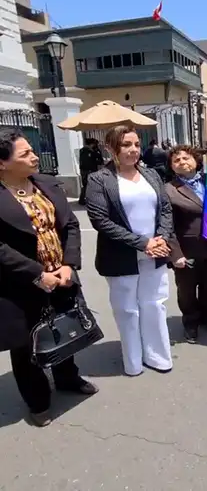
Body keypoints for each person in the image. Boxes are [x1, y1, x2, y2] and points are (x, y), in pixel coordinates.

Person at [0, 130, 98, 426]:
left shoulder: (46, 184)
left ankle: (68, 378)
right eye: (25, 154)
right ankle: (37, 400)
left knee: (65, 328)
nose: (34, 157)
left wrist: (69, 264)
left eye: (32, 150)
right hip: (20, 283)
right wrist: (37, 274)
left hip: (62, 276)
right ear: (3, 164)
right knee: (26, 345)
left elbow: (70, 224)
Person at [85, 125, 176, 376]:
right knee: (127, 309)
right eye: (126, 145)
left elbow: (165, 209)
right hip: (121, 256)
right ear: (111, 148)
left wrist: (161, 238)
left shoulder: (152, 175)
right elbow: (100, 221)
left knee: (155, 304)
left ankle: (157, 356)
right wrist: (142, 243)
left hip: (154, 254)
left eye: (136, 144)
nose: (133, 150)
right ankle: (133, 361)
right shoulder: (99, 180)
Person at [163, 144, 207, 343]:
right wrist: (175, 254)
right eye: (176, 160)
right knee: (187, 291)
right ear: (172, 167)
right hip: (186, 250)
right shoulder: (168, 190)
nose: (182, 162)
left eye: (186, 158)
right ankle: (190, 323)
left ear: (196, 161)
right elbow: (167, 225)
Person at [77, 137, 104, 206]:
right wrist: (97, 152)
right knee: (89, 185)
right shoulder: (90, 151)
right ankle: (84, 199)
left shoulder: (82, 150)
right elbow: (99, 161)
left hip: (84, 170)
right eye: (95, 144)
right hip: (89, 170)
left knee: (86, 185)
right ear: (92, 144)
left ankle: (83, 199)